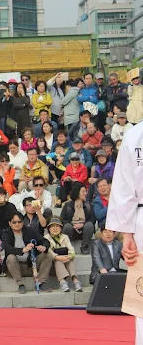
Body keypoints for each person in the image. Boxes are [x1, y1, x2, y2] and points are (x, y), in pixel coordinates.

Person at [106, 120, 143, 343]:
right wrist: (127, 235)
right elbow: (124, 186)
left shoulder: (135, 134)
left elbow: (124, 187)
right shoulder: (135, 134)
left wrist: (127, 234)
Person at [2, 212, 53, 294]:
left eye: (19, 222)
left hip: (31, 266)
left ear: (23, 222)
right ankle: (20, 284)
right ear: (10, 223)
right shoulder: (6, 233)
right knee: (10, 257)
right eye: (14, 222)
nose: (17, 224)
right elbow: (8, 248)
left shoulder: (29, 231)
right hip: (15, 267)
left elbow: (45, 241)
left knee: (47, 255)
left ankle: (41, 282)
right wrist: (23, 250)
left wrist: (44, 247)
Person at [43, 217, 82, 293]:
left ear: (61, 228)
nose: (55, 228)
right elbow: (49, 252)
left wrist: (70, 256)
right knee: (58, 261)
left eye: (57, 226)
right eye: (52, 226)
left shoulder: (65, 237)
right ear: (49, 228)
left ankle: (75, 281)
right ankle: (62, 282)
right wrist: (58, 257)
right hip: (52, 265)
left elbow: (71, 249)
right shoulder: (45, 238)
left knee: (70, 260)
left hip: (65, 262)